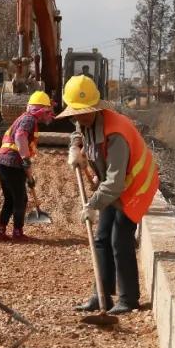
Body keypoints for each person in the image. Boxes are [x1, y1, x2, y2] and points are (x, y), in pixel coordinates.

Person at [59, 75, 159, 315]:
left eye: (84, 112)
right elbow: (78, 132)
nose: (79, 117)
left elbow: (115, 183)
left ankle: (129, 299)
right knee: (102, 238)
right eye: (75, 112)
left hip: (135, 187)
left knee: (120, 239)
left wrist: (92, 204)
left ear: (96, 108)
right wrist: (75, 148)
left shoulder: (116, 134)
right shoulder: (86, 121)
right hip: (113, 186)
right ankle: (101, 295)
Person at [0, 90, 54, 242]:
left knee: (10, 199)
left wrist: (29, 176)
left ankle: (0, 231)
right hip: (12, 163)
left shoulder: (24, 118)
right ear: (41, 110)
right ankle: (17, 232)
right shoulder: (29, 120)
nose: (49, 115)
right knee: (21, 200)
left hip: (3, 163)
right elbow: (20, 137)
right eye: (48, 111)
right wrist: (26, 160)